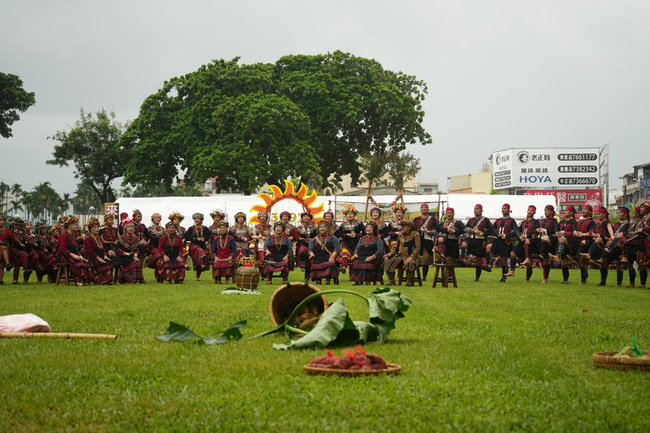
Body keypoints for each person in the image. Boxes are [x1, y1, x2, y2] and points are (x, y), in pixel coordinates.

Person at [486, 204, 519, 282]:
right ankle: (489, 264)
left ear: (508, 210)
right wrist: (496, 234)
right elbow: (492, 229)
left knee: (504, 259)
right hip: (497, 239)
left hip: (506, 241)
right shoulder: (498, 220)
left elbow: (516, 231)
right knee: (488, 247)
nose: (503, 210)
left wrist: (506, 235)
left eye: (505, 208)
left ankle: (504, 277)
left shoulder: (511, 220)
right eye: (502, 208)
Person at [58, 216, 93, 286]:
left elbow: (76, 248)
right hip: (64, 255)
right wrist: (73, 255)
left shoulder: (72, 236)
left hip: (72, 255)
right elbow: (63, 249)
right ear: (69, 226)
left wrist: (80, 256)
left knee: (84, 261)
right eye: (74, 225)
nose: (76, 226)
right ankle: (78, 281)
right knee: (77, 263)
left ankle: (85, 279)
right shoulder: (64, 235)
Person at [462, 204, 494, 282]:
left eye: (477, 209)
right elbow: (465, 228)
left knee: (478, 260)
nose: (475, 210)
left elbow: (491, 230)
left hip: (481, 240)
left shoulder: (486, 220)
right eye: (475, 209)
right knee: (464, 243)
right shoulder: (471, 220)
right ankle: (465, 259)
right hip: (472, 239)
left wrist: (484, 233)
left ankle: (477, 277)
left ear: (481, 210)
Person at [384, 219, 420, 286]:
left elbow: (417, 247)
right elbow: (396, 248)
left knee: (410, 263)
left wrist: (411, 257)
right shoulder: (400, 236)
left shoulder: (415, 234)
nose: (402, 228)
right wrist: (390, 254)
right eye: (402, 226)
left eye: (404, 226)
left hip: (411, 256)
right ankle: (392, 281)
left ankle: (409, 282)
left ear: (409, 227)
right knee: (388, 261)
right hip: (400, 256)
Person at [601, 207, 631, 287]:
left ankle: (619, 282)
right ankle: (603, 281)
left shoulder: (628, 224)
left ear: (625, 214)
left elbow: (628, 234)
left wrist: (622, 235)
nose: (619, 214)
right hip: (614, 243)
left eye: (621, 213)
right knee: (609, 262)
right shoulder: (617, 224)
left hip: (622, 245)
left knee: (618, 263)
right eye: (619, 213)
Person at [549, 205, 578, 284]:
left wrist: (565, 233)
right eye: (565, 210)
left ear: (571, 212)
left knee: (562, 240)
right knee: (564, 262)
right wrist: (558, 233)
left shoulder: (574, 222)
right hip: (561, 243)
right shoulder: (562, 222)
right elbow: (557, 231)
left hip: (570, 242)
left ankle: (557, 256)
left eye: (567, 210)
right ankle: (565, 280)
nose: (565, 212)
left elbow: (575, 233)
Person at [621, 204, 649, 288]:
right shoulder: (633, 222)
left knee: (641, 264)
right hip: (631, 244)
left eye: (634, 211)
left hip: (639, 243)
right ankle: (631, 283)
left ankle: (642, 284)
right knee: (630, 263)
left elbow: (642, 231)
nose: (633, 213)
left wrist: (637, 232)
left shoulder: (643, 220)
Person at [350, 221, 384, 285]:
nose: (368, 229)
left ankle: (367, 280)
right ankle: (357, 281)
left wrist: (372, 257)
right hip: (362, 256)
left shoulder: (377, 239)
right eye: (367, 227)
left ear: (374, 230)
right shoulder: (362, 238)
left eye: (370, 228)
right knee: (355, 263)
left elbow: (380, 250)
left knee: (367, 264)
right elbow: (357, 248)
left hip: (373, 257)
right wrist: (355, 254)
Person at [512, 205, 540, 282]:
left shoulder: (536, 222)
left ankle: (527, 278)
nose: (530, 212)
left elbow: (536, 233)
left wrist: (528, 237)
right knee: (512, 253)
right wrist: (520, 236)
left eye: (531, 210)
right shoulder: (523, 222)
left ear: (534, 212)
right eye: (529, 210)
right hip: (521, 241)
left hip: (530, 242)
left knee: (529, 261)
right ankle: (512, 271)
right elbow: (518, 231)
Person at [308, 220, 341, 285]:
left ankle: (327, 280)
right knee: (315, 264)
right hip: (318, 257)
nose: (322, 228)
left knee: (330, 264)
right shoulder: (315, 239)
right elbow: (310, 249)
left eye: (324, 227)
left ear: (328, 229)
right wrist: (311, 253)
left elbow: (337, 248)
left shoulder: (333, 238)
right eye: (320, 227)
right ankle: (318, 280)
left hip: (329, 257)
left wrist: (332, 257)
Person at [83, 218, 113, 285]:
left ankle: (108, 280)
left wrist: (105, 255)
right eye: (95, 227)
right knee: (100, 263)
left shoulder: (98, 237)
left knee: (108, 261)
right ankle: (101, 280)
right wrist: (98, 258)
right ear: (90, 229)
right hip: (92, 257)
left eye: (97, 227)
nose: (97, 229)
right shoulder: (88, 238)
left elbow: (103, 248)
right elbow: (90, 251)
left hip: (100, 255)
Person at [335, 205, 364, 274]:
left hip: (356, 243)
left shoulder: (359, 223)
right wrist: (346, 235)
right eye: (348, 214)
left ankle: (352, 275)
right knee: (345, 253)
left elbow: (365, 233)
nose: (350, 215)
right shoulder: (343, 224)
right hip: (346, 242)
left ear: (354, 215)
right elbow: (338, 233)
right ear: (346, 215)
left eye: (351, 214)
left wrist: (357, 235)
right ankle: (344, 267)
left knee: (354, 258)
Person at [413, 203, 438, 281]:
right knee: (415, 258)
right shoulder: (416, 219)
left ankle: (424, 277)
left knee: (425, 259)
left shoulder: (433, 219)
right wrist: (419, 230)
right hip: (418, 239)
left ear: (428, 209)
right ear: (420, 209)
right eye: (422, 207)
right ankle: (413, 275)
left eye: (425, 207)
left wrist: (429, 231)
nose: (424, 209)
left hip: (428, 240)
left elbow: (436, 230)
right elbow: (412, 229)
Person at [184, 212, 211, 281]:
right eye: (195, 218)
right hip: (194, 246)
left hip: (203, 245)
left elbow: (208, 236)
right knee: (200, 251)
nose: (197, 220)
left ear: (201, 219)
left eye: (198, 218)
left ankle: (198, 276)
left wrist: (204, 239)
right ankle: (202, 264)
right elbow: (187, 236)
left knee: (205, 255)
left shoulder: (205, 228)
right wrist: (196, 239)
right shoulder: (191, 228)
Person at [117, 219, 145, 284]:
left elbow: (137, 249)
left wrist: (135, 256)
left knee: (138, 262)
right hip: (123, 257)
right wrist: (127, 254)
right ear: (125, 229)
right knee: (134, 263)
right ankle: (130, 280)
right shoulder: (122, 238)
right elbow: (118, 250)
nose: (131, 228)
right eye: (129, 227)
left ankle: (137, 280)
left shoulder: (135, 238)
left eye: (132, 227)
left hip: (132, 256)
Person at [537, 205, 559, 284]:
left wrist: (545, 231)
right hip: (542, 240)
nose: (546, 212)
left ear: (552, 212)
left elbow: (555, 231)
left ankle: (541, 255)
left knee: (545, 259)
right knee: (546, 260)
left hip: (551, 240)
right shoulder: (542, 220)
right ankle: (545, 278)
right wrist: (538, 230)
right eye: (545, 210)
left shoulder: (554, 220)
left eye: (547, 210)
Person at [575, 204, 596, 286]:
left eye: (586, 209)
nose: (583, 211)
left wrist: (581, 234)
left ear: (590, 212)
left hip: (586, 242)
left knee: (582, 261)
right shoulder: (580, 221)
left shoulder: (591, 222)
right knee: (581, 261)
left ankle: (583, 280)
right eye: (583, 209)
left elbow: (591, 233)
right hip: (578, 241)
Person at [295, 211, 317, 282]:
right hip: (302, 243)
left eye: (308, 217)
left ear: (310, 218)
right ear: (302, 218)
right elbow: (296, 236)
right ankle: (302, 266)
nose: (306, 218)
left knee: (310, 261)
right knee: (302, 251)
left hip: (312, 244)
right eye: (304, 217)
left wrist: (312, 239)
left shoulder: (314, 227)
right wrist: (301, 239)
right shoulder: (298, 227)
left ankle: (308, 277)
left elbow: (316, 236)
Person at [7, 218, 30, 284]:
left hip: (19, 249)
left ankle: (15, 280)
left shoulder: (22, 234)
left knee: (17, 265)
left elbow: (25, 241)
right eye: (17, 225)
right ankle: (26, 270)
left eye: (19, 225)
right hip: (13, 249)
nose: (18, 227)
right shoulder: (11, 232)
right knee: (24, 256)